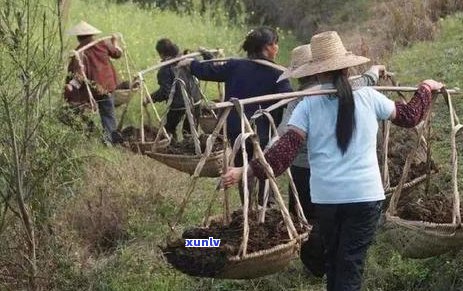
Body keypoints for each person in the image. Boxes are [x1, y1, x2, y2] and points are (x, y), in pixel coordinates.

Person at [223, 31, 443, 291]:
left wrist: (245, 170)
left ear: (316, 72)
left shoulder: (307, 105)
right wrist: (426, 88)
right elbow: (410, 116)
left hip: (327, 199)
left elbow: (284, 151)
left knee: (338, 261)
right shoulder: (369, 97)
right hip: (365, 198)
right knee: (348, 264)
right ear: (347, 67)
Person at [274, 44, 388, 277]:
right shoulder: (314, 98)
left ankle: (317, 264)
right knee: (327, 230)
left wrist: (255, 165)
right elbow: (366, 82)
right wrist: (375, 71)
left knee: (307, 218)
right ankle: (324, 262)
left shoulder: (303, 101)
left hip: (309, 172)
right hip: (336, 180)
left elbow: (284, 138)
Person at [178, 26, 293, 206]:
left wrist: (191, 64)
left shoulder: (235, 65)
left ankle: (247, 205)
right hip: (262, 130)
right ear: (269, 47)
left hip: (237, 130)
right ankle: (265, 205)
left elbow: (208, 72)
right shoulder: (278, 73)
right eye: (276, 44)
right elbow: (288, 99)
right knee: (263, 165)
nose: (277, 48)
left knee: (241, 164)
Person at [64, 21, 122, 144]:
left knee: (80, 109)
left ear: (79, 37)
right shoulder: (103, 44)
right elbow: (117, 53)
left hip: (92, 89)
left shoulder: (79, 52)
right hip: (106, 86)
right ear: (92, 35)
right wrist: (115, 42)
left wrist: (70, 85)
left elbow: (79, 76)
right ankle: (109, 140)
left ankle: (93, 135)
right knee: (108, 114)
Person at [148, 38, 201, 140]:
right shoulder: (187, 60)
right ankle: (191, 148)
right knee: (191, 130)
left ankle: (173, 148)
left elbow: (165, 92)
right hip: (196, 99)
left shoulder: (165, 70)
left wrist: (150, 98)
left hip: (179, 104)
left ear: (161, 54)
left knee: (169, 129)